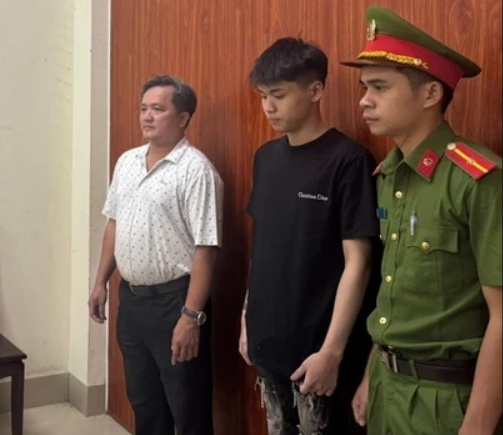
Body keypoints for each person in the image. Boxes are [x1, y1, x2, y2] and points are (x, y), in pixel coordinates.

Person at [341, 6, 502, 435]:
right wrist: (371, 373)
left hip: (445, 401)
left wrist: (478, 426)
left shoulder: (477, 180)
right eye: (364, 87)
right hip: (386, 387)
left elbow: (502, 316)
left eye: (379, 87)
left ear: (431, 94)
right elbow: (393, 292)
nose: (364, 100)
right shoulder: (388, 176)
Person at [239, 37, 381, 434]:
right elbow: (261, 247)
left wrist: (332, 353)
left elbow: (360, 263)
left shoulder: (348, 160)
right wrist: (247, 318)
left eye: (279, 95)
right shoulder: (265, 158)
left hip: (318, 350)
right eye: (263, 96)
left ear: (315, 90)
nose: (269, 106)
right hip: (268, 341)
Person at [88, 75, 223, 435]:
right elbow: (114, 224)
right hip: (132, 301)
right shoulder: (127, 161)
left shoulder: (196, 170)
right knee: (144, 402)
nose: (147, 116)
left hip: (175, 304)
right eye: (143, 108)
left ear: (182, 118)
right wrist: (101, 282)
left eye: (158, 109)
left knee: (187, 406)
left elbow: (206, 249)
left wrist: (190, 317)